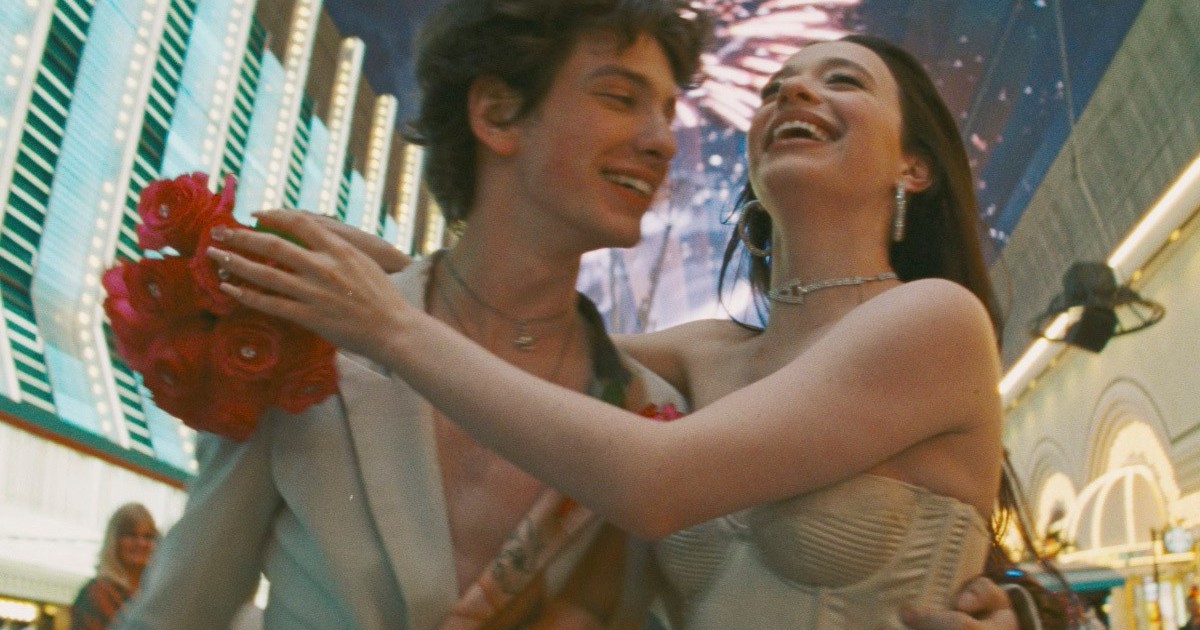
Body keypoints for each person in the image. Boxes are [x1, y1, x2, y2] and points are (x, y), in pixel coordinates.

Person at [207, 31, 1039, 629]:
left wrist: (385, 321)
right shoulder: (702, 351)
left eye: (843, 81)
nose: (791, 93)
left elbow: (653, 481)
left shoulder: (934, 321)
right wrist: (388, 272)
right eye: (775, 87)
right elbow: (512, 351)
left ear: (914, 166)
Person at [116, 1, 708, 629]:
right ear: (497, 113)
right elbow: (180, 611)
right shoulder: (303, 342)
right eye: (620, 97)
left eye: (668, 113)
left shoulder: (652, 414)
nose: (663, 142)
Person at [71, 503, 158, 630]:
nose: (141, 543)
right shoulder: (97, 594)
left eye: (148, 536)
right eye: (132, 535)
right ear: (114, 541)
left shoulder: (155, 596)